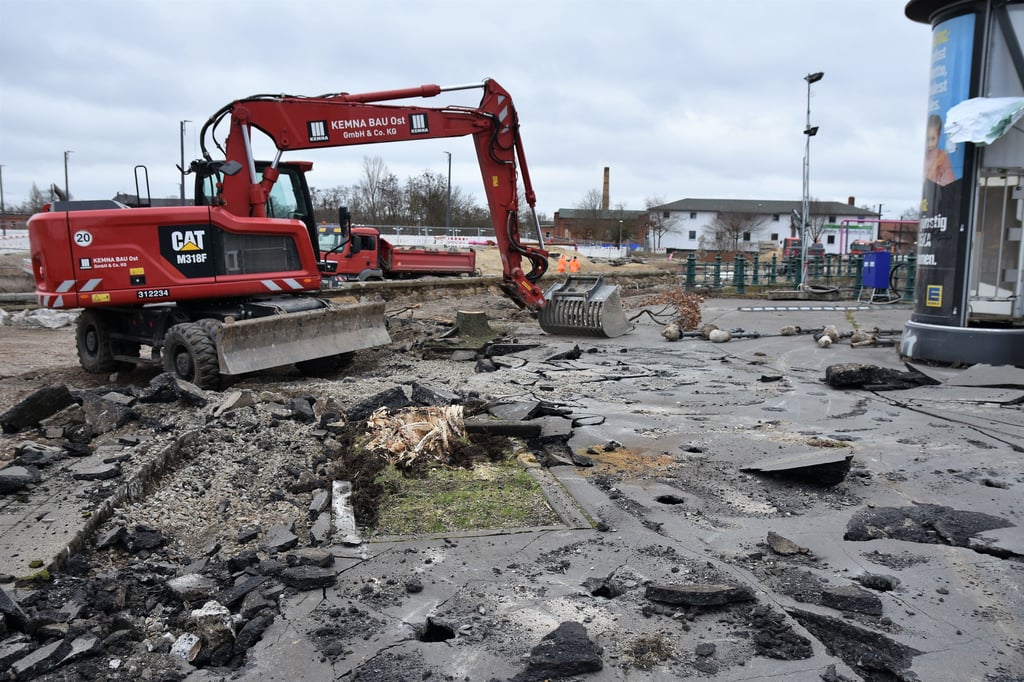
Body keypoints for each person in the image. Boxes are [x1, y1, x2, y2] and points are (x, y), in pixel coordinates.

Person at [925, 113, 955, 186]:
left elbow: (949, 183)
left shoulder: (943, 157)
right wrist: (936, 163)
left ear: (938, 136)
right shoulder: (919, 155)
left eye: (933, 139)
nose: (930, 143)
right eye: (927, 139)